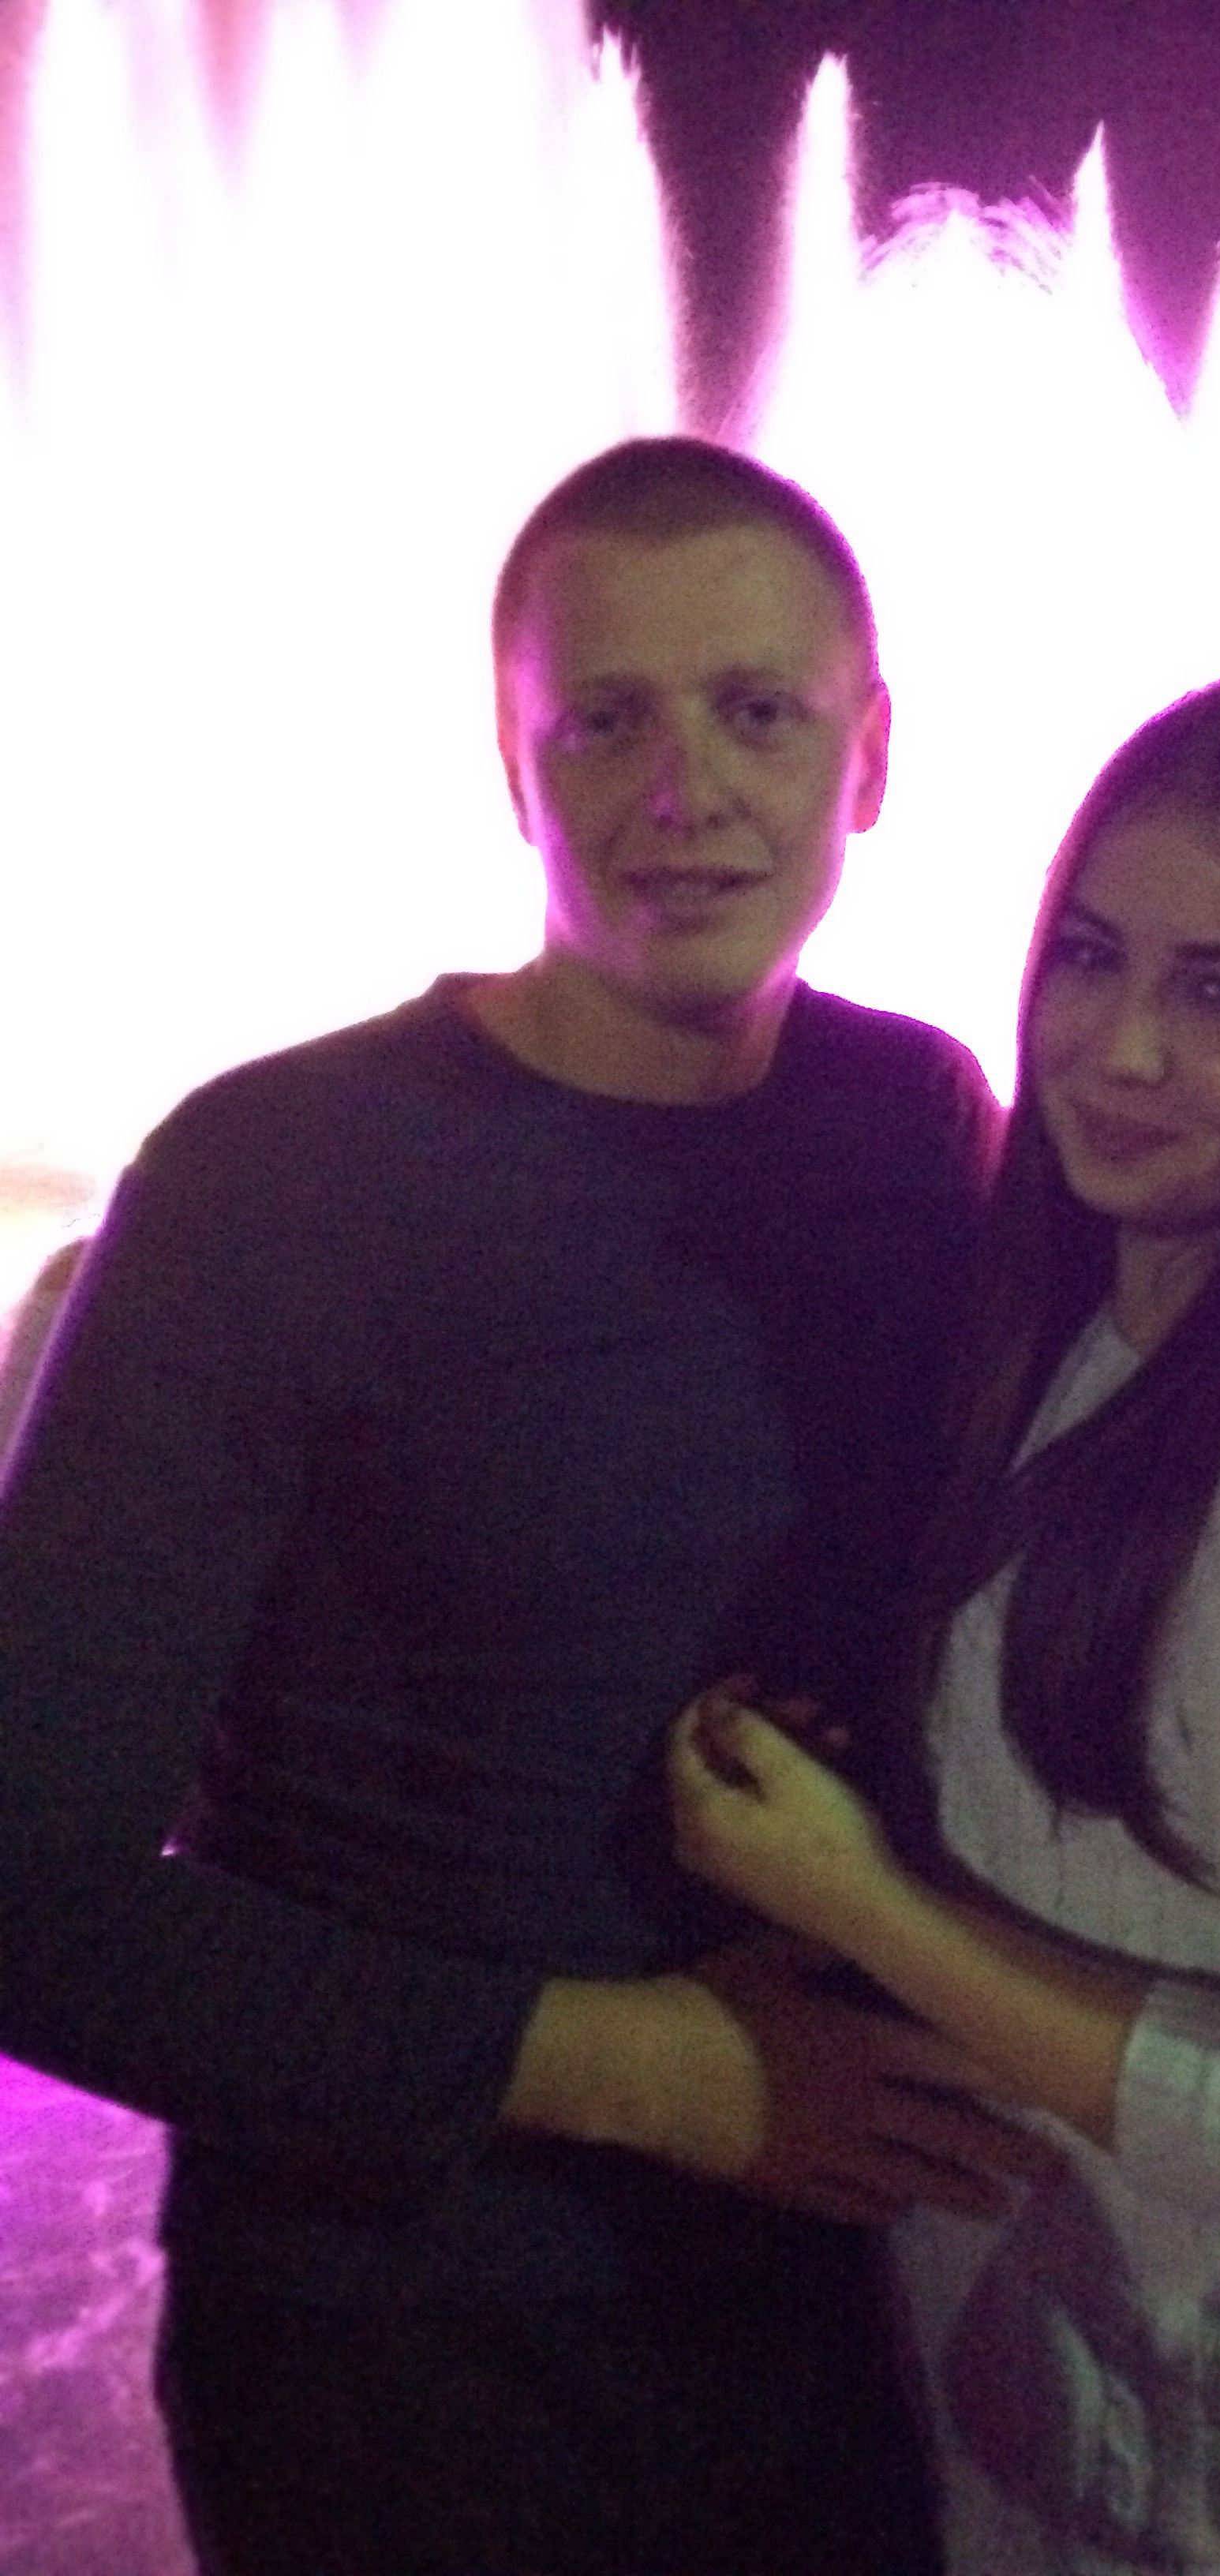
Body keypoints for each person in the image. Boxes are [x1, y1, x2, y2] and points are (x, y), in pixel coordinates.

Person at [0, 436, 1050, 2576]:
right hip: (404, 2346)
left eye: (757, 713)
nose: (687, 791)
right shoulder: (272, 1182)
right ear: (513, 763)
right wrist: (676, 2074)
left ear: (871, 756)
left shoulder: (911, 1114)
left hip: (821, 2307)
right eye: (608, 722)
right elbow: (28, 1888)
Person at [672, 672, 1220, 2574]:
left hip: (1217, 2485)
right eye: (1092, 956)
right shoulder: (1106, 1321)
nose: (1121, 1049)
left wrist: (865, 1906)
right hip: (1060, 2419)